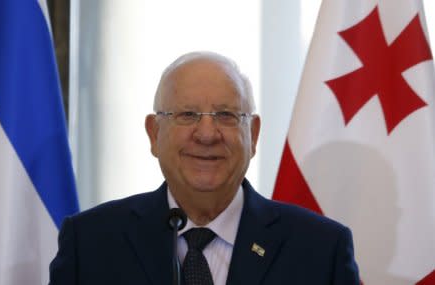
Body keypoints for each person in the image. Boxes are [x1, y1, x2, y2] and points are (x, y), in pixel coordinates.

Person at [49, 51, 360, 285]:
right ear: (154, 134)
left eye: (226, 115)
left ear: (253, 134)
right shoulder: (90, 243)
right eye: (187, 114)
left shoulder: (320, 250)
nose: (208, 134)